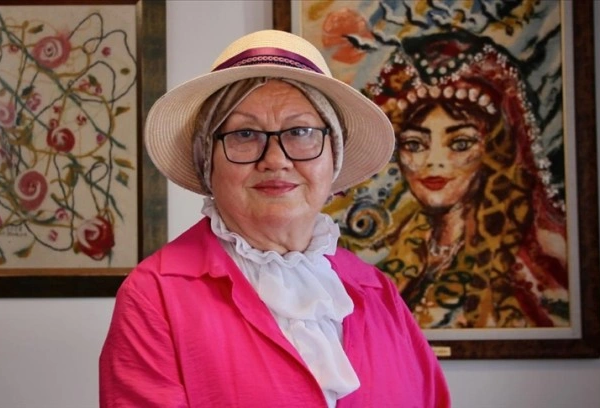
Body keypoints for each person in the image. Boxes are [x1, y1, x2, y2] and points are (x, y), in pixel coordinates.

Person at [99, 30, 450, 407]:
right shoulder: (156, 296)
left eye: (300, 132)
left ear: (332, 158)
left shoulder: (378, 291)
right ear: (208, 161)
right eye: (245, 134)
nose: (276, 160)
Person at [337, 31, 569, 329]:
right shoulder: (399, 253)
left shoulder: (532, 265)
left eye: (460, 144)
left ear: (493, 152)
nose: (434, 161)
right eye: (415, 144)